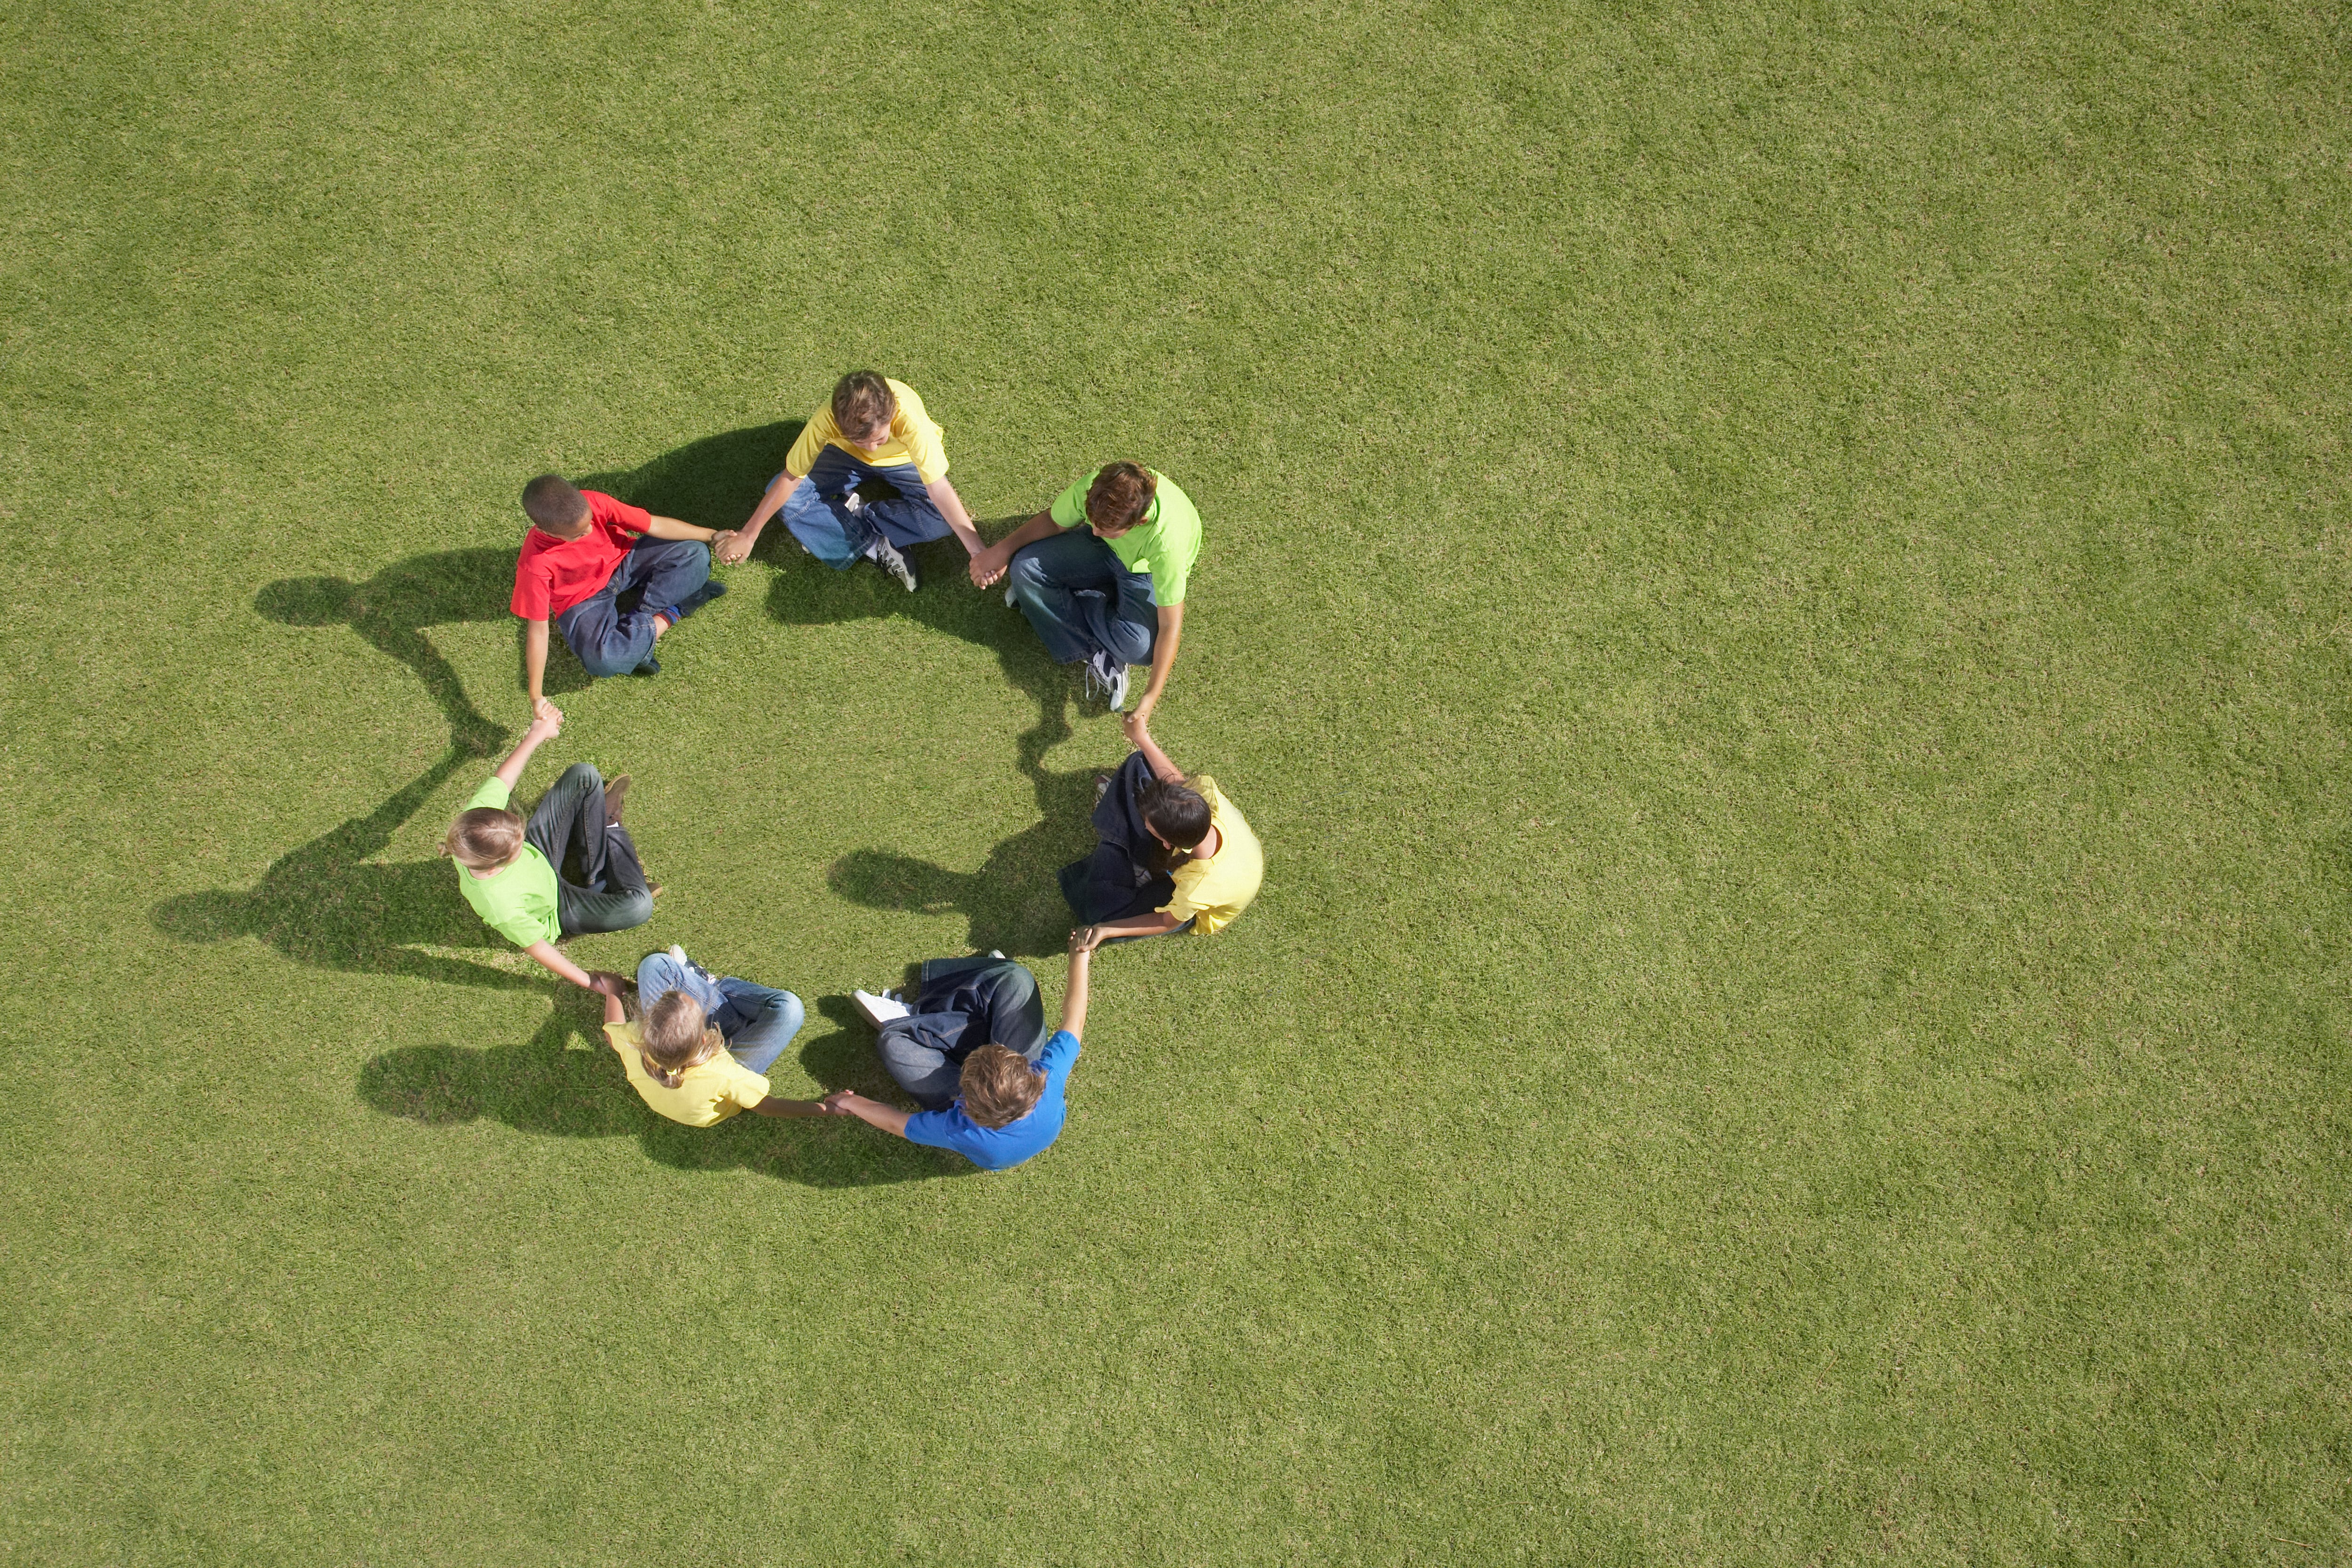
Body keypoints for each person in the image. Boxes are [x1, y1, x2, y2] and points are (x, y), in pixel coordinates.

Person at [821, 937, 1092, 1171]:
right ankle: (990, 987)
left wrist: (853, 1103)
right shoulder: (1048, 1077)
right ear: (1028, 1074)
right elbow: (1075, 1021)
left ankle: (919, 1018)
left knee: (893, 1041)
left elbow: (897, 1124)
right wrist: (1080, 954)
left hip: (982, 1107)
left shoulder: (962, 1129)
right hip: (1004, 1096)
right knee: (1016, 978)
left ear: (965, 1104)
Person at [440, 702, 655, 994]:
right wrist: (592, 983)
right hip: (556, 907)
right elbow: (539, 949)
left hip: (541, 853)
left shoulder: (473, 826)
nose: (521, 843)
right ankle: (610, 833)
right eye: (516, 849)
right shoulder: (500, 906)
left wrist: (537, 734)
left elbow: (503, 779)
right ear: (496, 866)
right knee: (639, 906)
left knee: (585, 775)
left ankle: (597, 879)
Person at [721, 371, 989, 594]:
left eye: (880, 439)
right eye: (861, 441)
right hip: (845, 457)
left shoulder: (911, 423)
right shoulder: (827, 419)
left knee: (941, 520)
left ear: (892, 414)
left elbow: (939, 488)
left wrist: (978, 552)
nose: (872, 450)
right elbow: (791, 478)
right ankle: (873, 544)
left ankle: (858, 515)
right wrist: (749, 534)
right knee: (786, 497)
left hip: (903, 460)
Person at [969, 462, 1201, 715]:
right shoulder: (1097, 490)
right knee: (1025, 569)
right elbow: (1053, 521)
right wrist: (1002, 551)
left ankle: (1065, 597)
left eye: (1106, 529)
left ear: (1140, 522)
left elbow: (1170, 627)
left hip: (1144, 570)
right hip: (1110, 551)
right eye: (1092, 522)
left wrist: (1149, 700)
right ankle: (1094, 643)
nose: (1094, 531)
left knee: (1141, 648)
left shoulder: (1168, 549)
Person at [514, 473, 737, 710]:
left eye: (590, 522)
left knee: (695, 554)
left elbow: (653, 524)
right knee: (604, 661)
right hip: (582, 600)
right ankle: (676, 610)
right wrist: (536, 696)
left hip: (624, 562)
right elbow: (538, 632)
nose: (590, 531)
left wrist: (712, 537)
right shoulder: (535, 564)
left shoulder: (595, 502)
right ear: (547, 532)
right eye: (578, 535)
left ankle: (638, 635)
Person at [1064, 712, 1263, 947]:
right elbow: (1176, 783)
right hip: (1187, 854)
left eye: (1151, 828)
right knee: (1140, 763)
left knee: (1100, 912)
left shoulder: (1196, 888)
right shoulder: (1205, 799)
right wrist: (1142, 737)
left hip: (1191, 905)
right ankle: (1135, 855)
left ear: (1167, 844)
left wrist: (1105, 930)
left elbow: (1168, 921)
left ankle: (1135, 858)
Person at [600, 946, 828, 1126]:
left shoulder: (634, 1040)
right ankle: (714, 989)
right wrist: (827, 1109)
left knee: (654, 964)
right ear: (704, 1037)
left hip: (697, 1057)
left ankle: (708, 989)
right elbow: (765, 1106)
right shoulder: (725, 1073)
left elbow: (612, 1032)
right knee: (789, 1008)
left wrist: (612, 990)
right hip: (735, 1060)